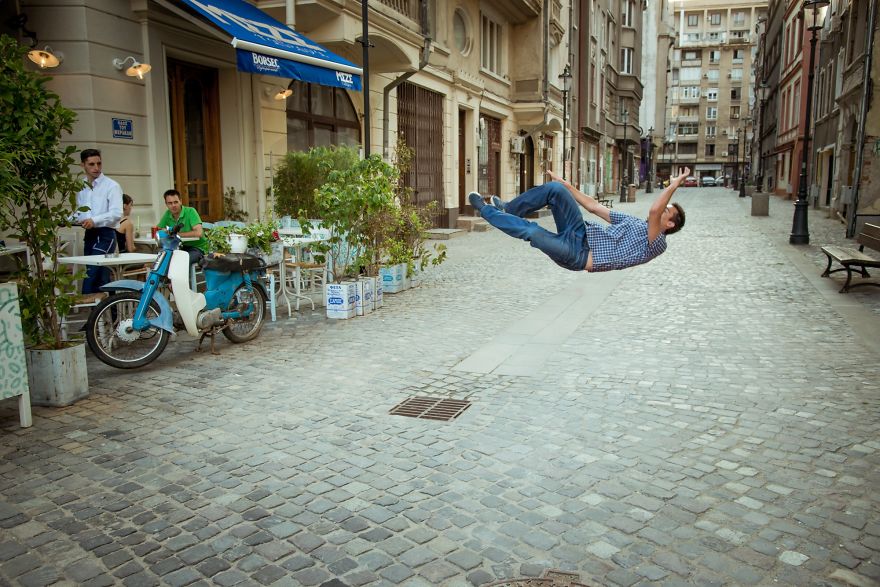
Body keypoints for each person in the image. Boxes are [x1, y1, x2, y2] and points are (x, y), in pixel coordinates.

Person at [468, 168, 688, 273]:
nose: (661, 212)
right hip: (580, 232)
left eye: (665, 212)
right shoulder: (636, 224)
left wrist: (673, 185)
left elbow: (653, 211)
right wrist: (565, 184)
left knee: (533, 232)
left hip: (577, 255)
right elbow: (593, 206)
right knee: (555, 189)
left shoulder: (656, 243)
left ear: (669, 224)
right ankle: (509, 209)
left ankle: (486, 211)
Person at [74, 149, 123, 293]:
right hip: (89, 234)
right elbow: (81, 211)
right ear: (83, 165)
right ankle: (110, 312)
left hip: (106, 235)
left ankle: (92, 310)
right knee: (101, 275)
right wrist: (67, 219)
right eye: (91, 164)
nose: (96, 168)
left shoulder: (111, 185)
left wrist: (94, 220)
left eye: (99, 163)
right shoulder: (81, 185)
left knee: (91, 273)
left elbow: (116, 213)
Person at [157, 189, 208, 264]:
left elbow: (199, 233)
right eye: (170, 203)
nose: (173, 205)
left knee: (181, 262)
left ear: (180, 201)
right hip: (178, 248)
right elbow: (159, 229)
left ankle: (181, 275)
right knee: (162, 260)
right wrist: (164, 231)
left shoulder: (190, 211)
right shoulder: (167, 214)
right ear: (166, 204)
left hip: (197, 248)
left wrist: (176, 235)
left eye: (176, 202)